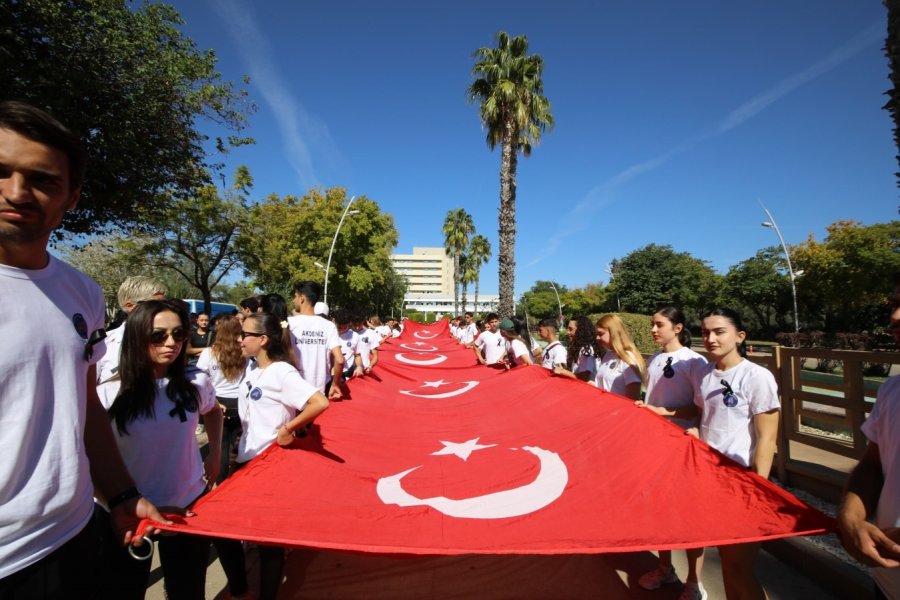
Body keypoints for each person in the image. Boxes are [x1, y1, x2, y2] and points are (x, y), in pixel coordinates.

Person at [0, 100, 165, 598]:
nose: (17, 192)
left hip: (71, 538)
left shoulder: (84, 293)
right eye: (2, 172)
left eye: (43, 180)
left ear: (72, 197)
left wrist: (122, 493)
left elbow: (84, 400)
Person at [96, 300, 224, 599]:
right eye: (158, 335)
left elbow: (214, 411)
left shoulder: (196, 382)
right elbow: (89, 458)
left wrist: (215, 455)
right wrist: (114, 501)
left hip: (187, 506)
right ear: (136, 337)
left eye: (179, 334)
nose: (171, 343)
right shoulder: (107, 393)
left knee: (187, 591)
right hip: (127, 513)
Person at [234, 312, 330, 600]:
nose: (240, 340)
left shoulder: (282, 372)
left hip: (269, 465)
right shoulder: (252, 370)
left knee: (268, 544)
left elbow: (319, 402)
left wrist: (288, 428)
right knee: (231, 530)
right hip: (246, 461)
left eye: (245, 335)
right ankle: (240, 589)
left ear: (262, 340)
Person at [689, 308, 780, 600]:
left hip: (742, 483)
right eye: (705, 332)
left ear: (740, 336)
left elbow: (767, 438)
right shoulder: (704, 374)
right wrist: (695, 433)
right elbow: (706, 419)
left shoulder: (757, 376)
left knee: (739, 568)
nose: (711, 338)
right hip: (709, 479)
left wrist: (759, 487)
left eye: (719, 332)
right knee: (728, 567)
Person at [635, 307, 708, 600]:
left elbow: (700, 409)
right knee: (659, 511)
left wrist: (660, 412)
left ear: (678, 328)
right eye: (652, 324)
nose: (653, 330)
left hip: (683, 448)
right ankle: (665, 568)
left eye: (659, 325)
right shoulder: (654, 359)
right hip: (654, 446)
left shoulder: (695, 362)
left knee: (689, 516)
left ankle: (695, 582)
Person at [838, 277, 900, 599]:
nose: (895, 317)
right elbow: (874, 463)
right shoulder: (891, 390)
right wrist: (851, 520)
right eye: (894, 305)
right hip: (888, 583)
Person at [196, 315, 246, 483]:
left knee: (219, 447)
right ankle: (234, 481)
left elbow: (201, 379)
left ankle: (221, 483)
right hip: (238, 403)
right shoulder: (244, 353)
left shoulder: (208, 353)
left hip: (217, 403)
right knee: (236, 445)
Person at [288, 281, 343, 399]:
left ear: (302, 298)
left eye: (295, 296)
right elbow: (339, 360)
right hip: (320, 392)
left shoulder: (289, 324)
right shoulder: (329, 326)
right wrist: (335, 384)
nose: (293, 301)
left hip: (294, 390)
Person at [594, 313, 646, 400]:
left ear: (613, 332)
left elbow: (633, 397)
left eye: (601, 334)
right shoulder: (608, 355)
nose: (597, 338)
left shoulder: (628, 357)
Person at [553, 315, 599, 382]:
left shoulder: (586, 350)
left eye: (571, 329)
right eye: (567, 329)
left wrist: (563, 371)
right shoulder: (578, 348)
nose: (567, 332)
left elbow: (583, 379)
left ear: (580, 331)